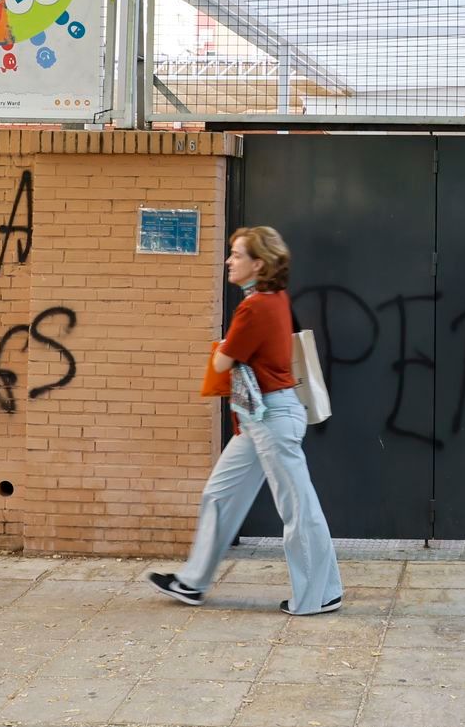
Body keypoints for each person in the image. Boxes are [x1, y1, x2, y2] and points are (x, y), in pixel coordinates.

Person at [147, 226, 343, 615]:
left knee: (297, 507)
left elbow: (223, 361)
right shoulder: (275, 299)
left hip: (271, 417)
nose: (229, 260)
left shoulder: (254, 307)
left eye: (237, 255)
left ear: (259, 263)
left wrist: (224, 347)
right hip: (260, 418)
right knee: (220, 495)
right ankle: (192, 583)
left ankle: (321, 594)